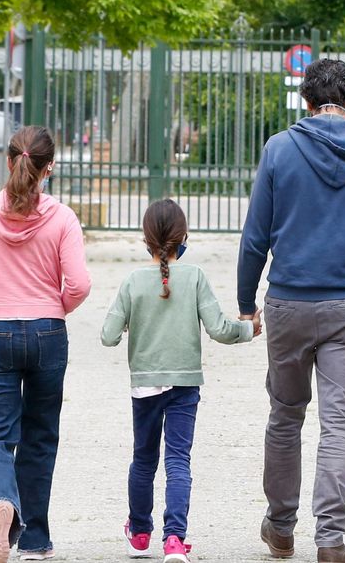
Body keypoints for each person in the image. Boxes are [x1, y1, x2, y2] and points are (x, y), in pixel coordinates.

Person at [237, 58, 345, 563]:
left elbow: (255, 238)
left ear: (306, 102)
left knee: (286, 415)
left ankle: (281, 526)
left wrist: (248, 302)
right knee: (339, 423)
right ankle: (330, 538)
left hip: (288, 303)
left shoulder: (279, 149)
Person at [101, 200, 254, 563]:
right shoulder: (196, 277)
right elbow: (219, 329)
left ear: (145, 239)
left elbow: (108, 336)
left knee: (143, 458)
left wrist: (131, 326)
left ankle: (139, 534)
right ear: (183, 237)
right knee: (178, 460)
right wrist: (248, 328)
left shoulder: (133, 282)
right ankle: (174, 540)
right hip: (185, 384)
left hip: (146, 386)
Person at [0, 126, 92, 563]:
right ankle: (36, 537)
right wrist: (53, 307)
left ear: (10, 162)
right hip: (47, 331)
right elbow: (79, 284)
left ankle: (1, 502)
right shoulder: (63, 218)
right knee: (40, 434)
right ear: (50, 168)